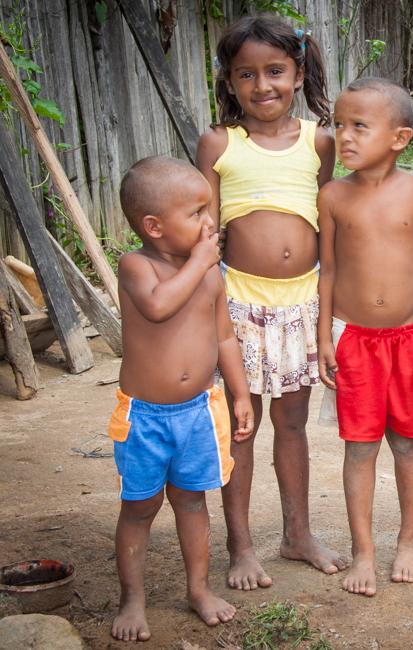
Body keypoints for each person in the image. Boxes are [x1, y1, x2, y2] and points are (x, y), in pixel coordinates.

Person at [196, 14, 345, 591]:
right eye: (247, 74)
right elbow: (205, 232)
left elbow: (327, 228)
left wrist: (330, 316)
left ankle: (297, 533)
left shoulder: (320, 141)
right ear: (230, 82)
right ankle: (239, 545)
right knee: (242, 424)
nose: (263, 87)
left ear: (299, 72)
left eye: (276, 71)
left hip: (301, 304)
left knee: (293, 422)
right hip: (236, 305)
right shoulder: (219, 142)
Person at [108, 157, 254, 641]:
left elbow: (225, 337)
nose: (209, 222)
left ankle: (199, 588)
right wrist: (198, 263)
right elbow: (157, 306)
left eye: (208, 209)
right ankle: (133, 598)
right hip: (146, 418)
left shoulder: (209, 274)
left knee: (193, 502)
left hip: (197, 412)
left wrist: (239, 392)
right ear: (153, 226)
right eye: (196, 213)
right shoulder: (137, 265)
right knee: (140, 507)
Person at [316, 78, 413, 597]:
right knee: (360, 448)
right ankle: (363, 550)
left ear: (399, 138)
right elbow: (326, 270)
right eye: (339, 125)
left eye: (359, 127)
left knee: (408, 443)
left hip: (410, 337)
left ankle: (409, 540)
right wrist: (325, 335)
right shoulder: (333, 195)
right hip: (354, 341)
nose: (344, 137)